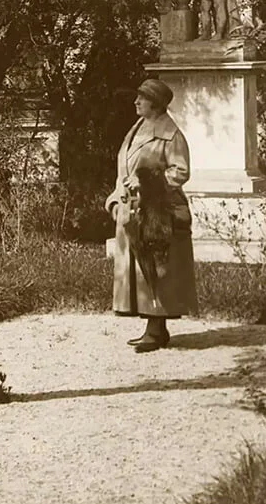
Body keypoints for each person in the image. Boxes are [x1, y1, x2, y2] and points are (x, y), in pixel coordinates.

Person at [106, 78, 197, 351]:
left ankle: (156, 330)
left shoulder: (171, 135)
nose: (136, 102)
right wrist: (113, 201)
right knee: (139, 270)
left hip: (158, 213)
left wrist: (147, 183)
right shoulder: (136, 130)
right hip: (133, 211)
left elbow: (181, 171)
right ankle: (152, 327)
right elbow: (124, 170)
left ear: (156, 105)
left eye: (142, 99)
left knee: (156, 267)